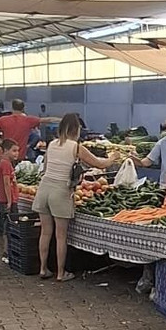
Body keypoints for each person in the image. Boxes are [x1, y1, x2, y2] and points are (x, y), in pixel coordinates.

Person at [34, 113, 116, 282]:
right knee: (61, 236)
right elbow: (99, 164)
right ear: (76, 129)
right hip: (60, 192)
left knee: (45, 232)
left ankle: (43, 269)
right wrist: (113, 158)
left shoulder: (51, 144)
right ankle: (61, 273)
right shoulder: (75, 147)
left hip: (44, 189)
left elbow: (46, 167)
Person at [0, 139, 20, 264]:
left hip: (6, 200)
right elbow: (6, 183)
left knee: (8, 226)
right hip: (7, 200)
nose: (16, 153)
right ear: (5, 151)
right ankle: (7, 252)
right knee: (9, 227)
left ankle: (8, 252)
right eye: (14, 150)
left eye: (18, 151)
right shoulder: (5, 164)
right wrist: (10, 201)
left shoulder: (5, 163)